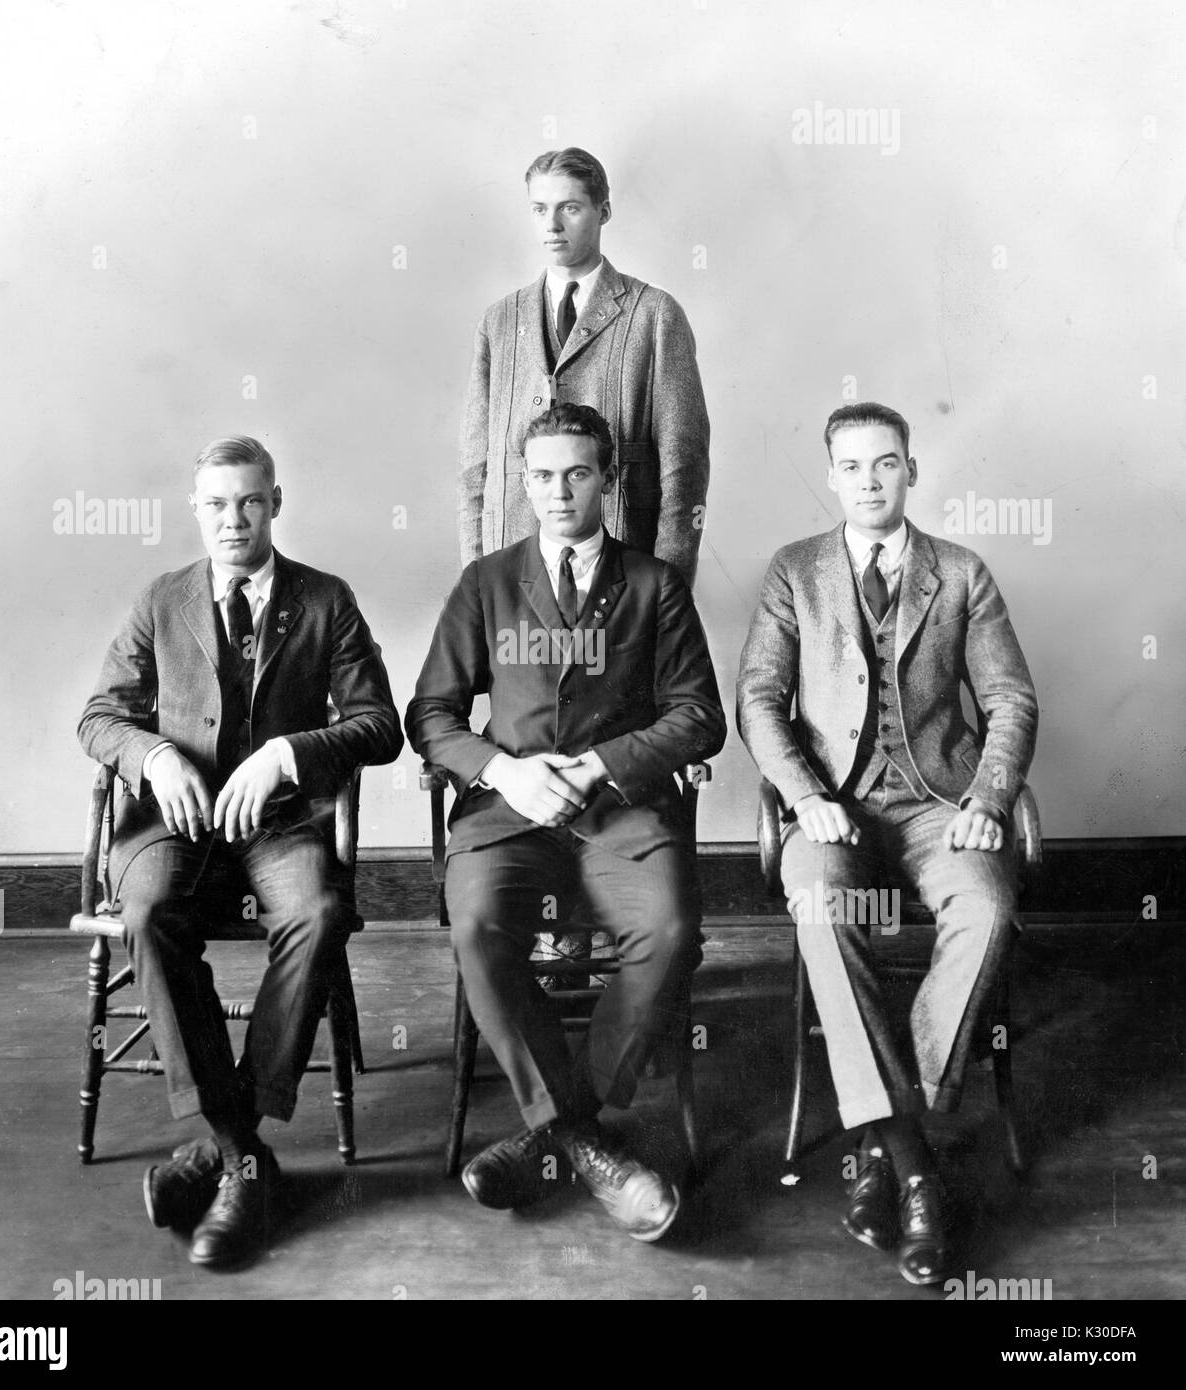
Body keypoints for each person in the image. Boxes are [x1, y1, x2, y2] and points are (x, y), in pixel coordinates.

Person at [78, 435, 402, 1268]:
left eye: (250, 502)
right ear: (197, 509)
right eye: (217, 504)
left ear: (276, 503)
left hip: (279, 822)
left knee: (320, 911)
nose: (233, 520)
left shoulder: (325, 600)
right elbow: (98, 716)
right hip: (170, 822)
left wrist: (287, 755)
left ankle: (224, 1152)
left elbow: (381, 726)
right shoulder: (163, 599)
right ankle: (243, 1155)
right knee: (148, 916)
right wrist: (154, 756)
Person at [736, 401, 1038, 1285]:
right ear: (831, 476)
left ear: (912, 470)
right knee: (825, 909)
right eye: (854, 466)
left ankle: (880, 1144)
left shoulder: (963, 573)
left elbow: (1011, 700)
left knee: (987, 907)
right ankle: (917, 1172)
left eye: (888, 464)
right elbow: (758, 699)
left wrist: (987, 797)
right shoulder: (795, 571)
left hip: (940, 805)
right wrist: (802, 795)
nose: (871, 481)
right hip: (833, 807)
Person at [410, 402, 724, 1242]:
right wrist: (505, 770)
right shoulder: (487, 582)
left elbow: (699, 718)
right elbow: (431, 715)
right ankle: (590, 1145)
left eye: (577, 474)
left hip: (618, 810)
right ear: (524, 481)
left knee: (668, 929)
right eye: (543, 476)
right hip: (508, 813)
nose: (558, 492)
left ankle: (557, 1128)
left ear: (608, 480)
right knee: (476, 926)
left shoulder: (654, 585)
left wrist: (597, 765)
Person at [458, 146, 710, 591]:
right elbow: (476, 467)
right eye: (540, 209)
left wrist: (667, 590)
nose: (552, 226)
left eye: (569, 208)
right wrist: (475, 579)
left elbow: (683, 470)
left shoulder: (654, 315)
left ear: (603, 210)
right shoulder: (499, 321)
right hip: (513, 566)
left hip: (622, 569)